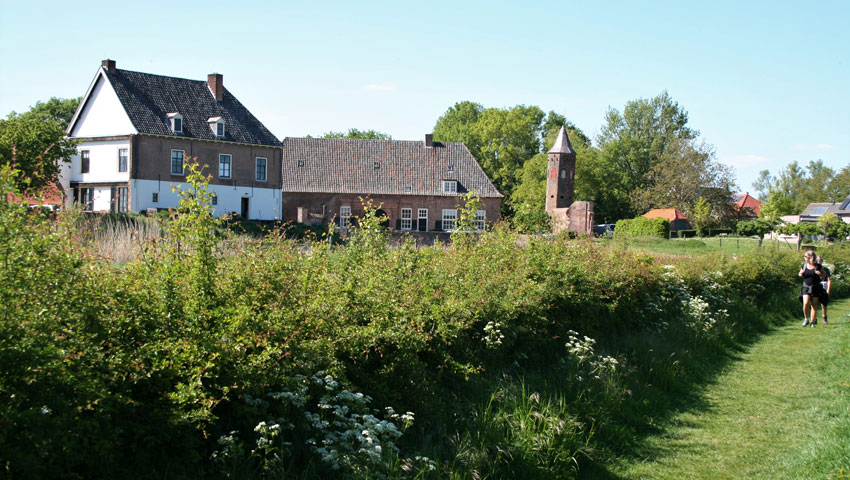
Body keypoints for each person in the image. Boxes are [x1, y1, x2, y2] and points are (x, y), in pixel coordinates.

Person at [799, 250, 823, 327]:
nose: (804, 257)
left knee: (814, 305)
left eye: (805, 256)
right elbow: (800, 274)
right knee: (805, 303)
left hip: (815, 287)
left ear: (810, 257)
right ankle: (806, 319)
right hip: (806, 286)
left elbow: (824, 274)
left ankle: (812, 322)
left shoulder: (818, 266)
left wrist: (820, 274)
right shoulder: (804, 266)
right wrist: (801, 273)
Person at [817, 255, 831, 324]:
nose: (819, 262)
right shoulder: (814, 269)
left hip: (823, 286)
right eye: (817, 261)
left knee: (823, 303)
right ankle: (814, 318)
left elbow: (829, 280)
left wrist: (828, 290)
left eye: (820, 261)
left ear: (822, 261)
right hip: (816, 286)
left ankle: (824, 317)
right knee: (814, 302)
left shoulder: (826, 269)